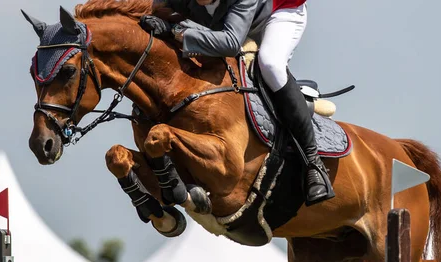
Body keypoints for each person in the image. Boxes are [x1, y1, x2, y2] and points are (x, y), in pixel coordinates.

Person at [140, 0, 334, 206]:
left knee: (270, 64)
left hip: (279, 13)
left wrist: (175, 30)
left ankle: (313, 164)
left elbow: (231, 43)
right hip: (229, 20)